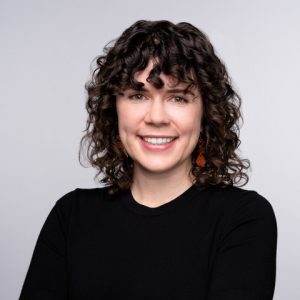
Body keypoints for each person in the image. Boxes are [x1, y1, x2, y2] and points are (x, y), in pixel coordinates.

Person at [19, 20, 277, 300]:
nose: (156, 117)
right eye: (138, 95)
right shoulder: (70, 216)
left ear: (205, 114)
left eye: (178, 98)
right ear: (113, 110)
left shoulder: (243, 218)